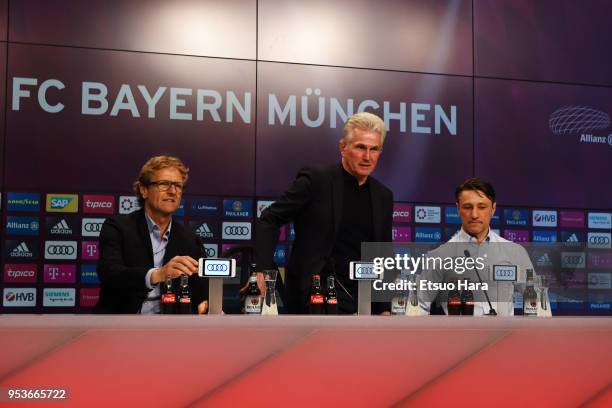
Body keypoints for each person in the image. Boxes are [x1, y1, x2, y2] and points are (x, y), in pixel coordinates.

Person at [254, 112, 393, 314]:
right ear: (343, 147)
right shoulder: (316, 180)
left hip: (363, 299)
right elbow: (270, 219)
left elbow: (383, 252)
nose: (367, 157)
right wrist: (261, 271)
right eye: (360, 147)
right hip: (314, 296)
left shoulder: (383, 195)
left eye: (374, 149)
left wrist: (384, 307)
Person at [94, 156, 208, 314]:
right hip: (121, 324)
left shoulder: (189, 239)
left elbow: (201, 290)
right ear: (144, 190)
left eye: (178, 185)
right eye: (163, 184)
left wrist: (206, 305)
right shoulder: (117, 227)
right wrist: (158, 274)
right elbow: (110, 273)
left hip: (170, 328)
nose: (172, 191)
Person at [417, 177, 545, 316]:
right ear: (458, 209)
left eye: (482, 207)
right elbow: (418, 307)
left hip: (504, 336)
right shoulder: (440, 256)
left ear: (493, 209)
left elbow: (537, 302)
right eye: (467, 207)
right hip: (459, 336)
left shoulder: (515, 252)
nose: (474, 214)